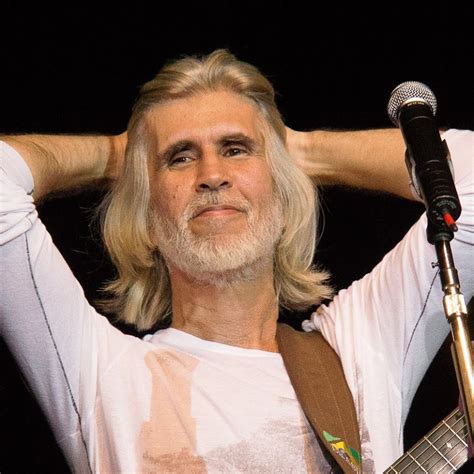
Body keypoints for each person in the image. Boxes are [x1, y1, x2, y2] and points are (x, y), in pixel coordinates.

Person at [0, 48, 472, 473]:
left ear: (284, 195)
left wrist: (298, 149)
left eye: (236, 149)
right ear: (145, 219)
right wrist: (118, 154)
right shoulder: (104, 375)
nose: (212, 175)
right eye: (180, 157)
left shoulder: (359, 346)